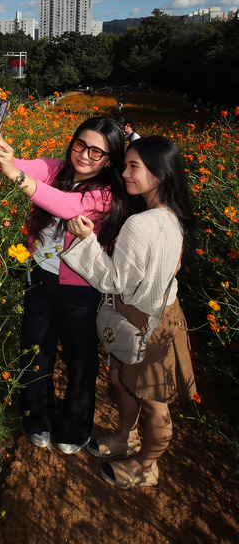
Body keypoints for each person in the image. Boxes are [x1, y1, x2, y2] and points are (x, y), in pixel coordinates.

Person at [0, 117, 127, 454]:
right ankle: (37, 420)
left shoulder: (104, 195)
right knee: (36, 351)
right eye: (80, 145)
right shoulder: (56, 168)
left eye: (96, 152)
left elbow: (62, 205)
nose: (84, 155)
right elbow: (17, 165)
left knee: (80, 359)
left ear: (110, 159)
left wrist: (14, 173)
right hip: (40, 278)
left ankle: (75, 428)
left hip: (81, 289)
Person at [64, 135, 196, 488]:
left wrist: (85, 241)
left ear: (160, 172)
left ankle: (146, 465)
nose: (124, 173)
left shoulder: (142, 224)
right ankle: (126, 435)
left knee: (154, 401)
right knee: (122, 379)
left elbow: (113, 280)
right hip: (153, 315)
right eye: (125, 165)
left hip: (146, 320)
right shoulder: (170, 215)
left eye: (133, 166)